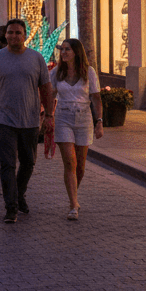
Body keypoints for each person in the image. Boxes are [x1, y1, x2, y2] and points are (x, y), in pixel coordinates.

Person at [0, 19, 55, 224]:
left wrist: (50, 115)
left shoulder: (36, 58)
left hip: (30, 120)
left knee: (28, 162)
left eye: (18, 33)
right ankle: (11, 207)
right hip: (4, 120)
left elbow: (46, 88)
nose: (13, 36)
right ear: (5, 35)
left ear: (25, 35)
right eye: (10, 33)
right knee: (8, 163)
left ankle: (19, 195)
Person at [52, 38, 104, 220]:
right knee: (70, 162)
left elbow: (96, 98)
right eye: (62, 49)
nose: (64, 52)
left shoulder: (88, 72)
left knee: (80, 166)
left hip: (84, 119)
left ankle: (73, 193)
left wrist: (99, 121)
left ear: (76, 52)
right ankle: (73, 203)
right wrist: (47, 117)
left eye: (67, 49)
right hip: (63, 117)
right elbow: (49, 96)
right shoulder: (56, 72)